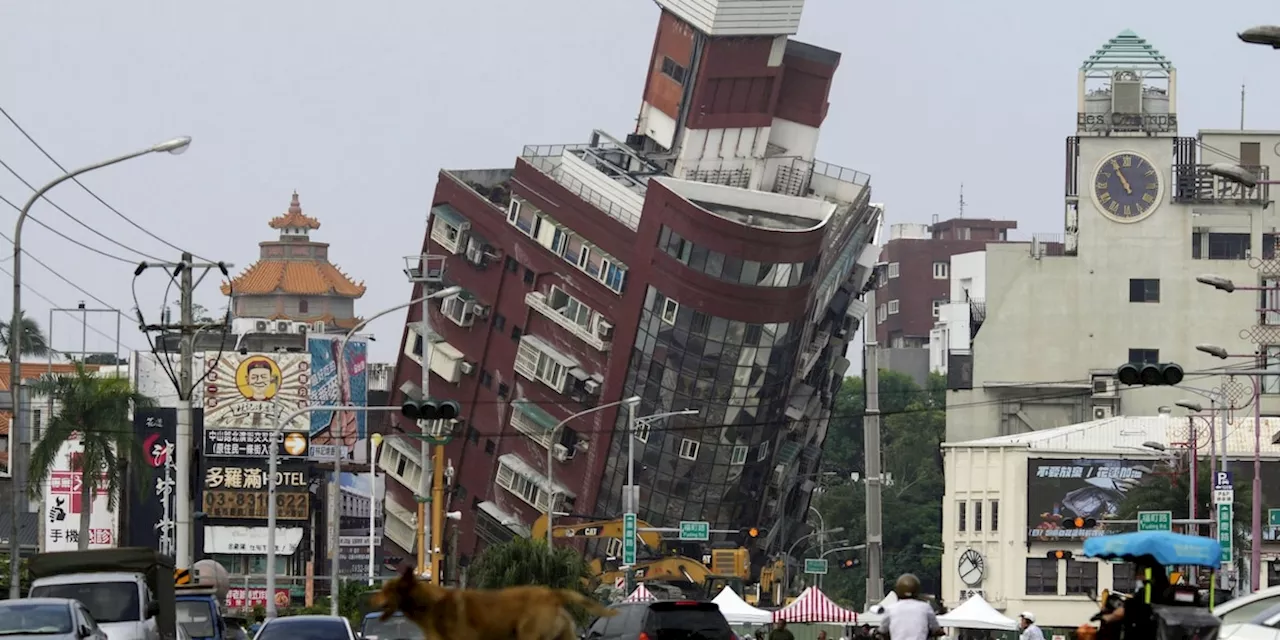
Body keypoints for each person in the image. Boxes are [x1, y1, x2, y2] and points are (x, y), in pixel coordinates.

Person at [878, 574, 944, 640]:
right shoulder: (925, 607)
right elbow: (935, 628)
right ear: (917, 590)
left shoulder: (891, 608)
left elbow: (882, 630)